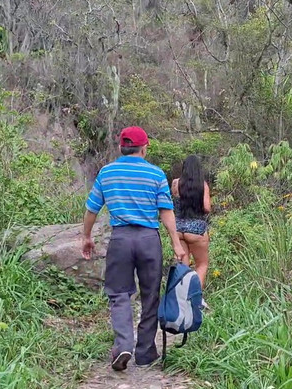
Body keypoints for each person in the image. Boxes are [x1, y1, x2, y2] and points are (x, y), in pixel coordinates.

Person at [81, 126, 187, 371]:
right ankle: (146, 352)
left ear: (121, 147)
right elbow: (166, 211)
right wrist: (176, 242)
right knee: (150, 294)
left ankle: (124, 344)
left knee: (118, 293)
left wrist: (86, 236)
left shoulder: (107, 173)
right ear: (144, 147)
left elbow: (92, 209)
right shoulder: (156, 174)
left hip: (121, 239)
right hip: (149, 239)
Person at [171, 155, 211, 304]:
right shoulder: (203, 185)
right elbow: (207, 208)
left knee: (183, 266)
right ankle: (195, 298)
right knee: (202, 264)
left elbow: (173, 205)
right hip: (196, 230)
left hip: (179, 229)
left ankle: (181, 299)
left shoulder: (175, 184)